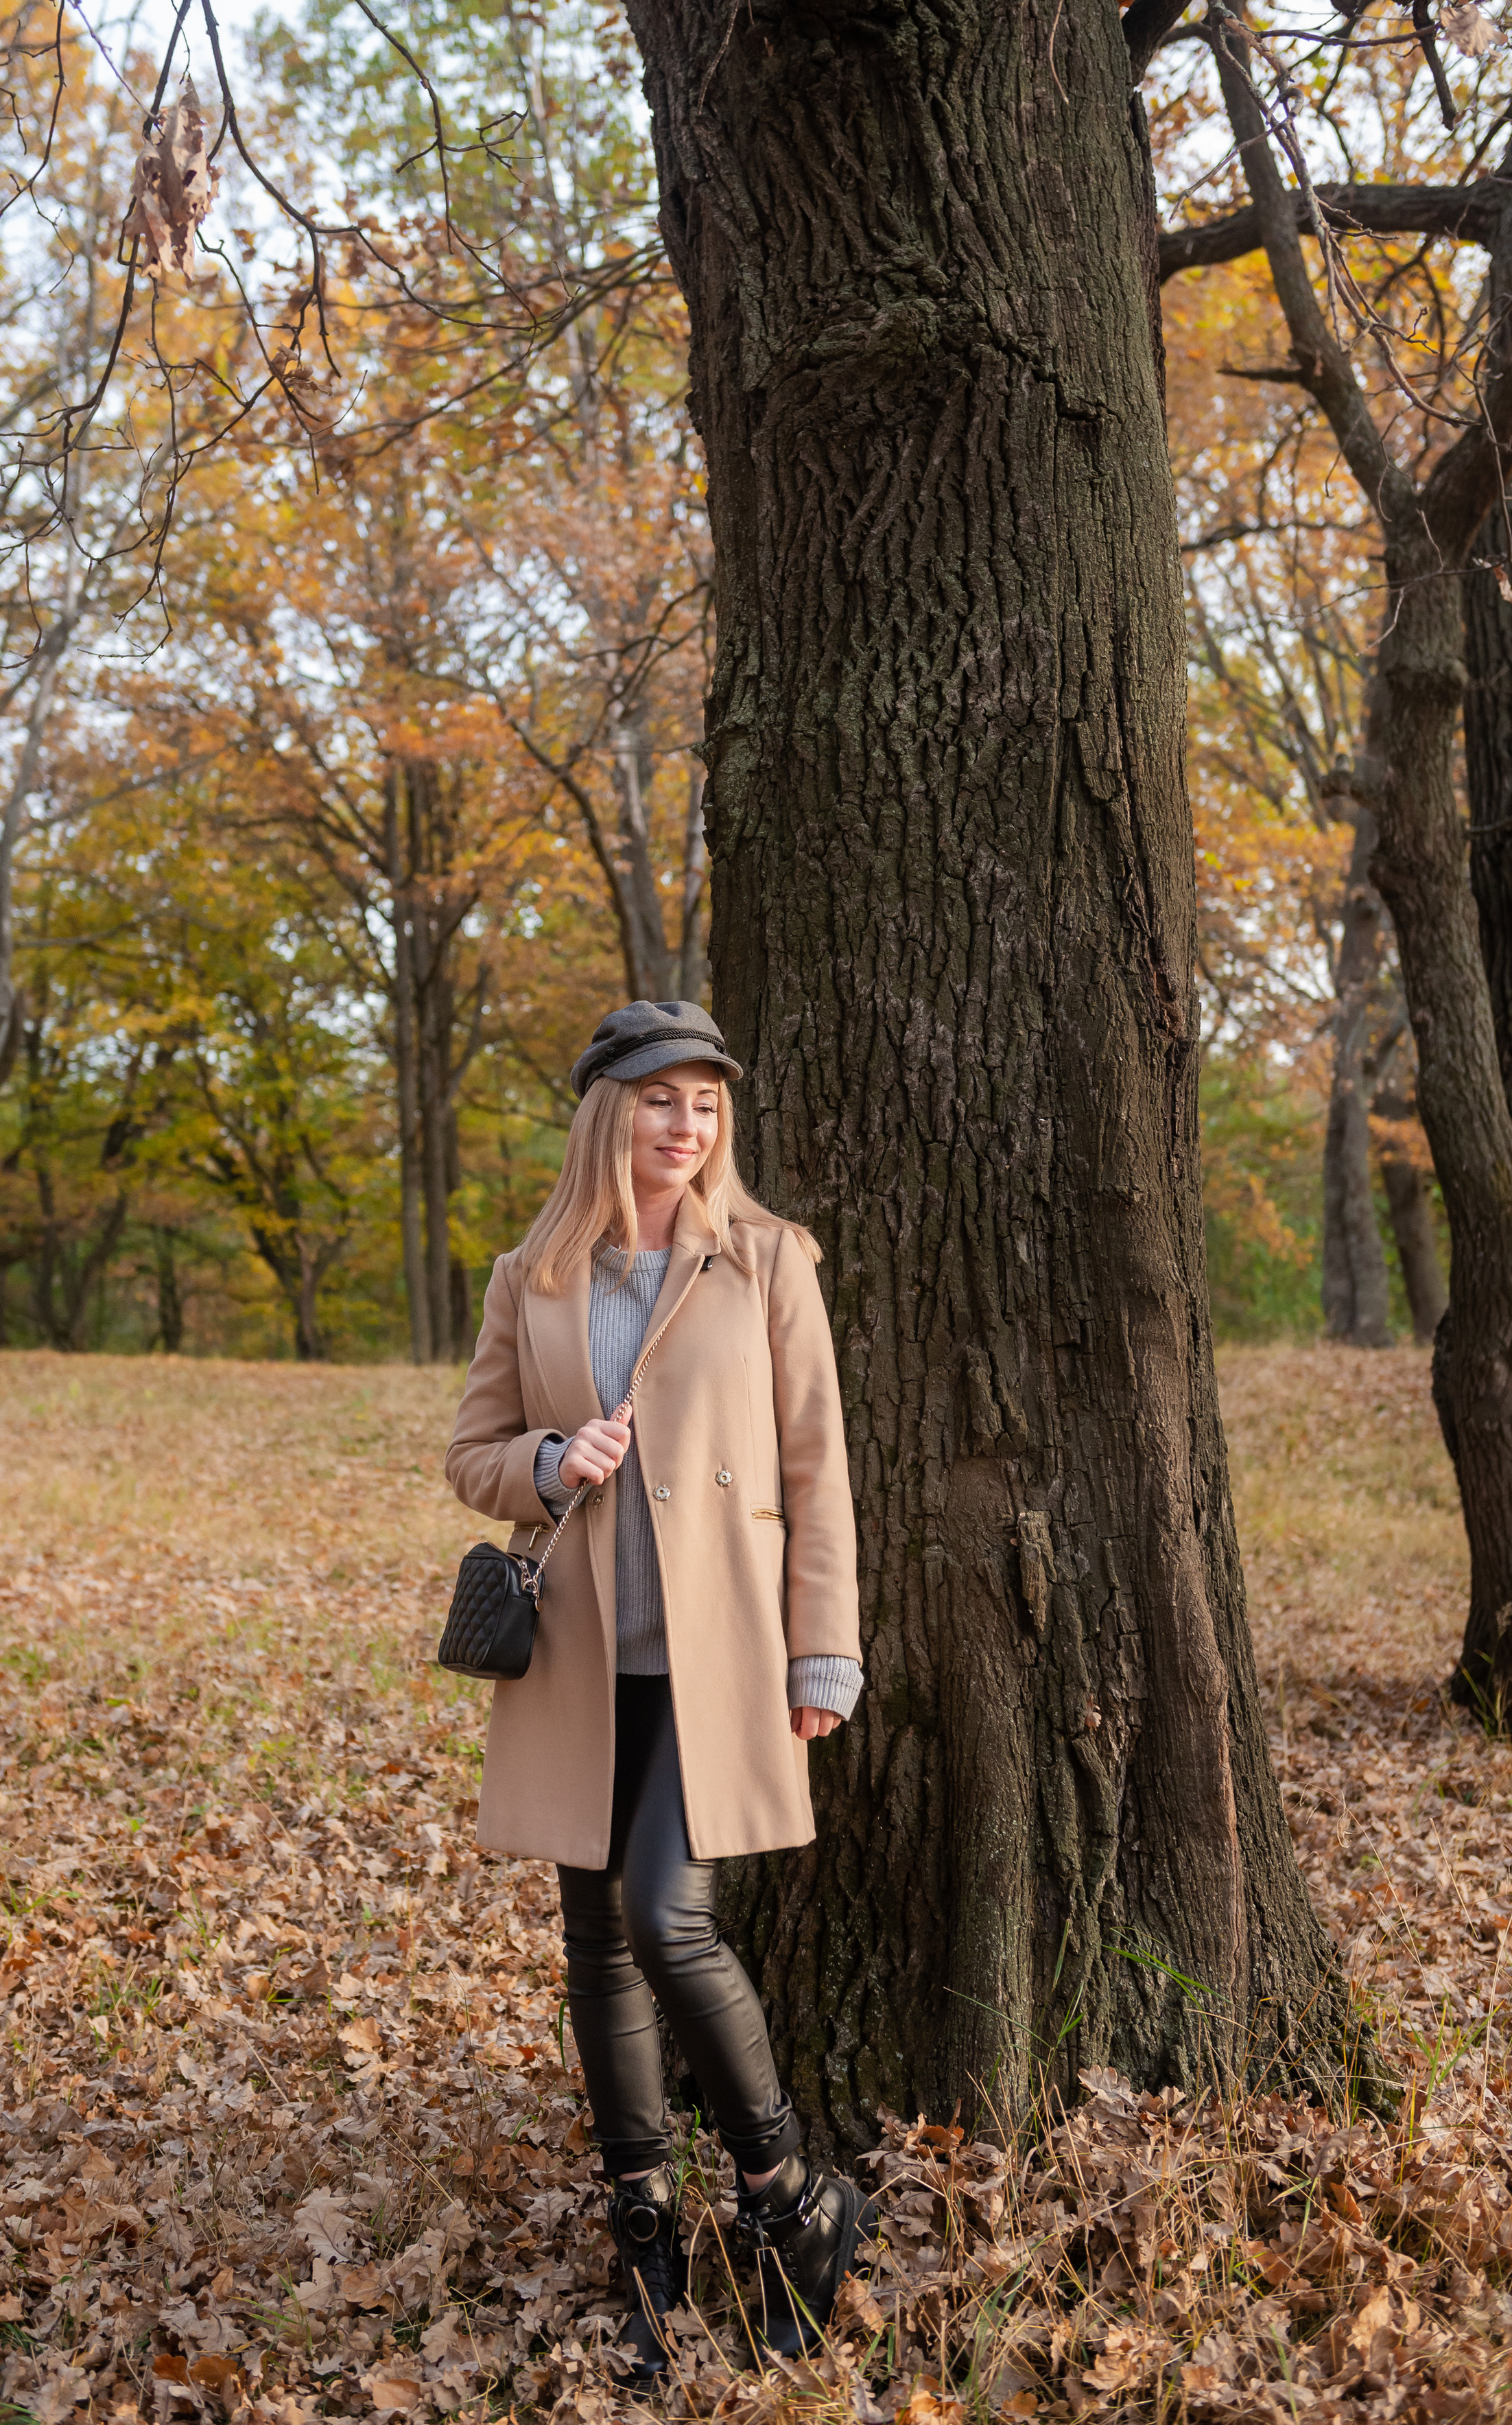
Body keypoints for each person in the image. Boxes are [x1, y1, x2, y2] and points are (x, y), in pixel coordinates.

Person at [445, 999, 873, 2379]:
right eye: (656, 1101)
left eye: (702, 1104)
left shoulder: (764, 1261)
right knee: (595, 1951)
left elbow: (816, 1464)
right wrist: (551, 1460)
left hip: (720, 1658)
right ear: (604, 1116)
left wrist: (823, 1646)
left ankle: (787, 2195)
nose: (683, 1126)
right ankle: (644, 2234)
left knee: (663, 1915)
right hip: (578, 1658)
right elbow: (472, 1453)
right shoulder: (533, 1274)